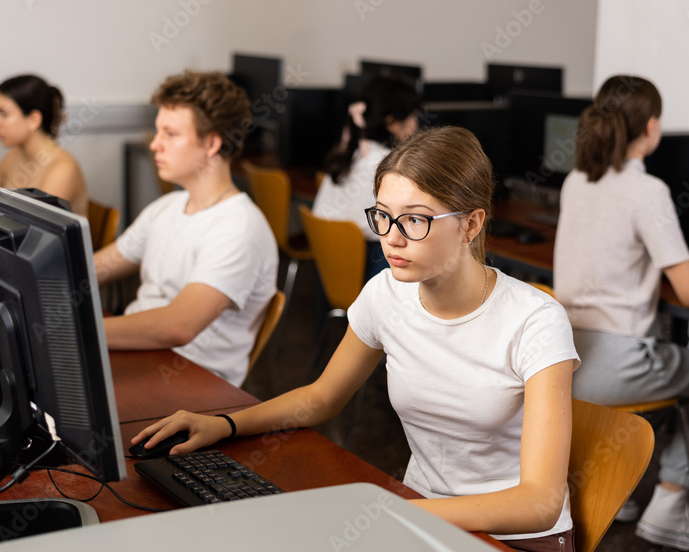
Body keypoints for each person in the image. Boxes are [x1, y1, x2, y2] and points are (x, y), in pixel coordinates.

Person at [134, 126, 580, 549]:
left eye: (415, 221)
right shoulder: (386, 294)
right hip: (420, 515)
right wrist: (226, 423)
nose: (391, 238)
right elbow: (323, 397)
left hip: (512, 537)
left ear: (471, 224)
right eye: (383, 217)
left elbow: (538, 504)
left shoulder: (535, 320)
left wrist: (399, 513)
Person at [552, 75, 689, 551]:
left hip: (562, 355)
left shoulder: (577, 180)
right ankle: (670, 502)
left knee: (666, 369)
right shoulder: (648, 191)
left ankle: (624, 489)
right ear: (652, 128)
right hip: (616, 364)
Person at [93, 71, 277, 388]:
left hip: (192, 384)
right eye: (157, 132)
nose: (154, 144)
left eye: (170, 134)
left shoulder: (238, 228)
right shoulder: (167, 207)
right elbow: (95, 269)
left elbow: (178, 326)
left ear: (212, 143)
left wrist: (80, 332)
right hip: (145, 357)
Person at [313, 76, 422, 280]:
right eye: (412, 115)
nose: (415, 124)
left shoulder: (345, 153)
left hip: (331, 267)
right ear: (391, 122)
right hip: (365, 267)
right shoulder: (390, 165)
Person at [0, 75, 88, 217]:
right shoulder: (10, 158)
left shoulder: (63, 169)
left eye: (3, 114)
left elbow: (36, 231)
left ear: (34, 119)